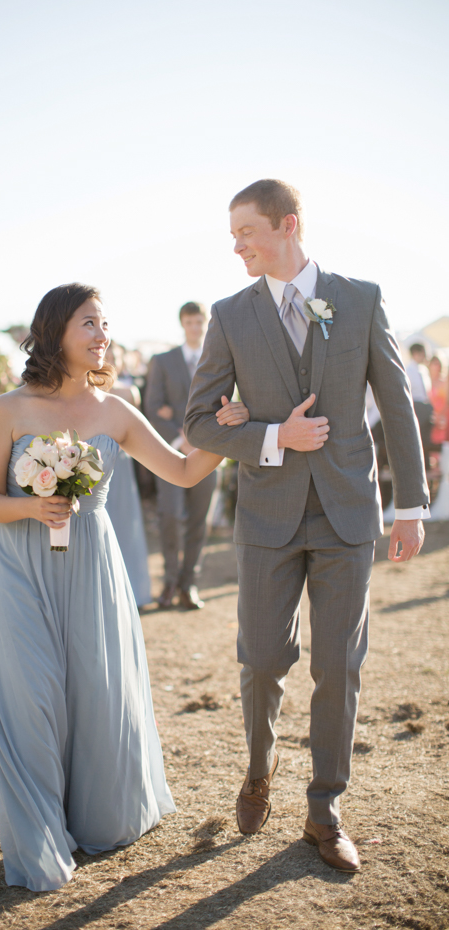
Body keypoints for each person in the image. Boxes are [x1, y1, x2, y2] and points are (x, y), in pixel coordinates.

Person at [184, 179, 429, 874]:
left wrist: (409, 506)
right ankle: (258, 770)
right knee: (262, 658)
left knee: (337, 666)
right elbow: (200, 421)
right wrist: (272, 436)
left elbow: (397, 407)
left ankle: (325, 810)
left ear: (288, 224)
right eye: (232, 235)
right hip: (267, 516)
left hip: (349, 514)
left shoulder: (360, 299)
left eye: (246, 232)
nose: (236, 246)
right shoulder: (231, 316)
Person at [0, 283, 246, 892]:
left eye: (104, 323)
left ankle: (91, 817)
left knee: (95, 696)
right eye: (88, 323)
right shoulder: (8, 409)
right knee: (33, 700)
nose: (102, 335)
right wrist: (31, 509)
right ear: (54, 333)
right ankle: (39, 838)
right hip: (19, 570)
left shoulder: (117, 408)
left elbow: (179, 471)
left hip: (92, 568)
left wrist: (223, 435)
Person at [145, 302, 217, 610]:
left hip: (210, 452)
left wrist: (203, 441)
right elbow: (152, 407)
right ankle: (170, 581)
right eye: (190, 322)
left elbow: (226, 404)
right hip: (170, 453)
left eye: (199, 321)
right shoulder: (162, 361)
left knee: (199, 522)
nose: (195, 327)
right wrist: (180, 438)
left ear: (206, 323)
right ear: (182, 324)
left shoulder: (218, 358)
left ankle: (190, 585)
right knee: (171, 517)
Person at [104, 341, 152, 608]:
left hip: (119, 466)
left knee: (125, 526)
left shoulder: (128, 391)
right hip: (91, 467)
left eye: (114, 356)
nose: (109, 360)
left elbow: (127, 397)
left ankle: (132, 589)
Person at [406, 343, 433, 464]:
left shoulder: (423, 370)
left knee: (426, 438)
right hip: (416, 406)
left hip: (425, 406)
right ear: (416, 353)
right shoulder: (408, 370)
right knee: (417, 437)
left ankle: (426, 463)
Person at [428, 355, 448, 447]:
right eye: (434, 363)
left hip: (442, 416)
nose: (437, 366)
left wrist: (441, 415)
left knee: (440, 443)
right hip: (429, 416)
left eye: (438, 364)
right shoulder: (426, 380)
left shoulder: (444, 382)